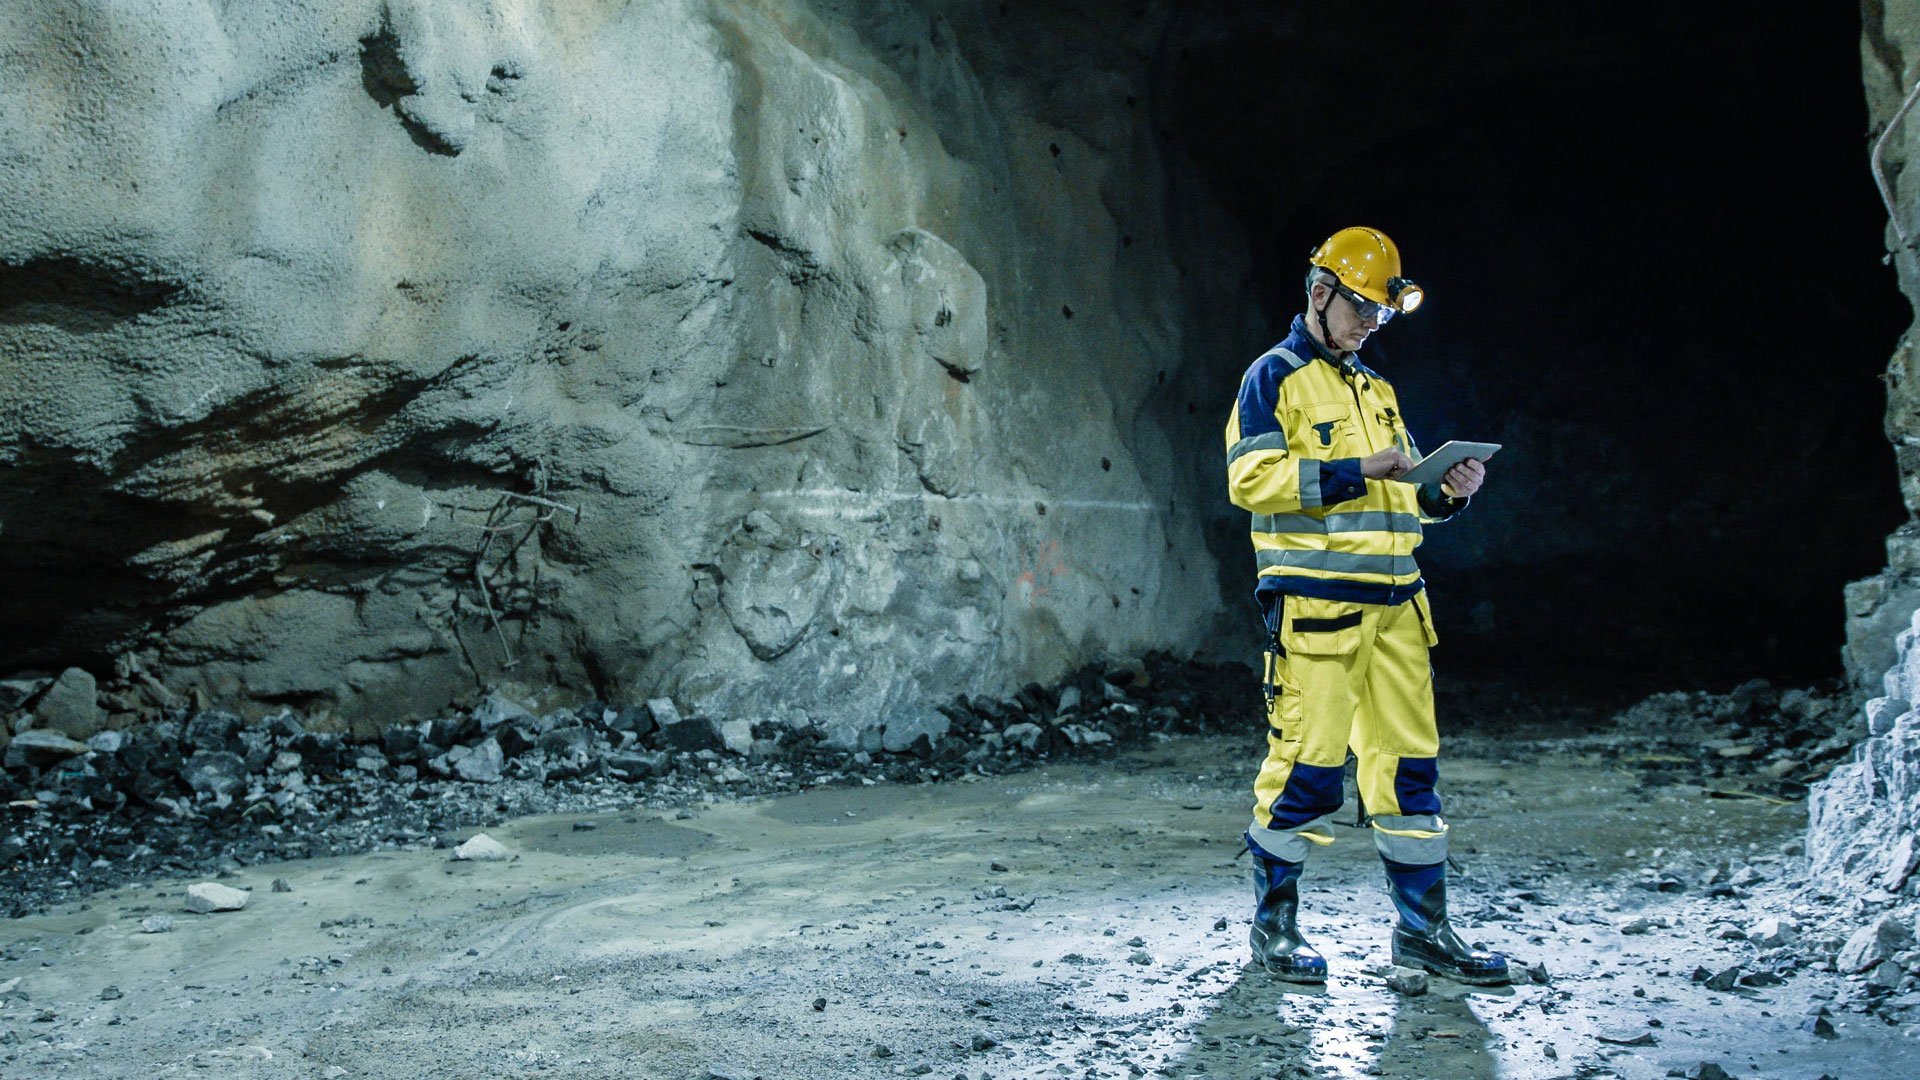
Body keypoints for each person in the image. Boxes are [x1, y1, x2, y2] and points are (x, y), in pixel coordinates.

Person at [1221, 226, 1507, 986]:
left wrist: (1447, 492)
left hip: (1398, 613)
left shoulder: (1377, 390)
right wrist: (1356, 468)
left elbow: (1406, 493)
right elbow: (1251, 480)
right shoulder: (1273, 377)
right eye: (1362, 308)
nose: (1371, 324)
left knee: (1410, 773)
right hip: (1317, 615)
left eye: (1382, 313)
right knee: (1306, 771)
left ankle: (1423, 932)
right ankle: (1273, 931)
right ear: (1319, 293)